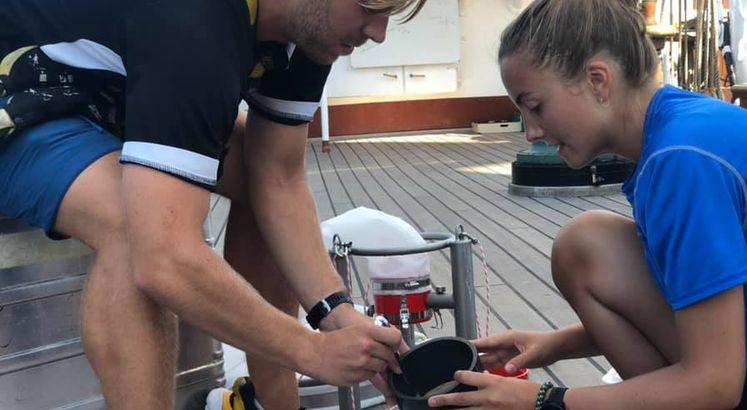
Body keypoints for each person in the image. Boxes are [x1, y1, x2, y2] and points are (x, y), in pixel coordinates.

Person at [0, 0, 427, 409]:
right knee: (136, 229)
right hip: (25, 105)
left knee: (255, 163)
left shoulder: (310, 34)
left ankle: (273, 404)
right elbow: (162, 259)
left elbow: (277, 177)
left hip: (115, 101)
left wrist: (335, 312)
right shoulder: (194, 20)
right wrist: (311, 350)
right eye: (369, 7)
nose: (379, 32)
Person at [427, 0, 747, 409]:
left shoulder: (681, 160)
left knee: (586, 245)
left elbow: (715, 384)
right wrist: (554, 345)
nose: (530, 132)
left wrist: (546, 401)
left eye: (535, 107)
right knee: (587, 245)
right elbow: (700, 310)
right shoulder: (680, 132)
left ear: (597, 81)